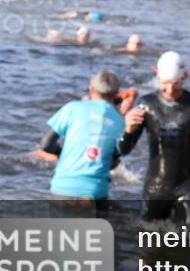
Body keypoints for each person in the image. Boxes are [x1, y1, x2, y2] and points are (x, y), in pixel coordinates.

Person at [118, 51, 190, 231]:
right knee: (148, 242)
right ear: (156, 75)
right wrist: (128, 130)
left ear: (185, 76)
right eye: (164, 83)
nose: (170, 90)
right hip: (156, 186)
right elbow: (124, 150)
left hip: (188, 185)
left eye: (175, 84)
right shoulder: (146, 104)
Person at [38, 70, 126, 205]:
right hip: (95, 193)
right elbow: (114, 160)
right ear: (116, 94)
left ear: (91, 89)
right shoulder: (120, 121)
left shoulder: (72, 108)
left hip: (63, 189)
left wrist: (63, 154)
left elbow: (46, 144)